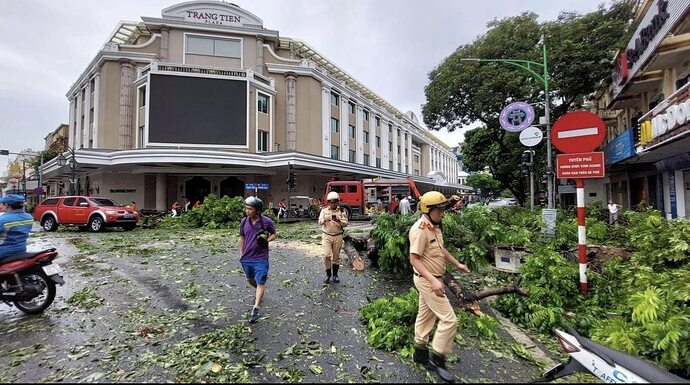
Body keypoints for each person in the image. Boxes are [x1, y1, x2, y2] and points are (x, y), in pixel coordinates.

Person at [409, 191, 470, 382]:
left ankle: (419, 353)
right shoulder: (420, 230)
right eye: (440, 210)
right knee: (449, 319)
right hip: (428, 281)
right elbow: (414, 259)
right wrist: (434, 281)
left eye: (444, 209)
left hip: (434, 278)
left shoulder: (433, 227)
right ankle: (438, 359)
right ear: (428, 210)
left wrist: (456, 264)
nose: (443, 213)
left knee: (425, 315)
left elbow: (440, 250)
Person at [239, 196, 277, 323]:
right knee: (251, 280)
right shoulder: (244, 221)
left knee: (260, 281)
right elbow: (242, 238)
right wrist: (241, 254)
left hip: (261, 257)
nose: (247, 211)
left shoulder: (266, 222)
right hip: (247, 257)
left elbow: (274, 234)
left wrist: (267, 240)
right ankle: (259, 292)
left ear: (257, 210)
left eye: (250, 209)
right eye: (246, 208)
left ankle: (256, 308)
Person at [318, 191, 349, 284]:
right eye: (331, 202)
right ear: (328, 202)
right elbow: (319, 222)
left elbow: (346, 223)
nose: (333, 204)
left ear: (337, 202)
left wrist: (339, 220)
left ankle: (335, 275)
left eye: (335, 202)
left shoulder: (342, 211)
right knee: (326, 255)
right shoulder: (324, 211)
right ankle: (328, 274)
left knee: (336, 257)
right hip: (326, 235)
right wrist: (325, 220)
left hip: (338, 236)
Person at [0, 194, 34, 263]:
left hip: (4, 253)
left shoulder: (3, 220)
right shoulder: (29, 217)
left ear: (6, 205)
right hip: (21, 249)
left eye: (1, 203)